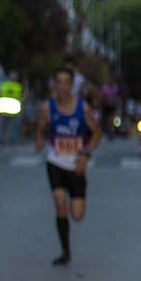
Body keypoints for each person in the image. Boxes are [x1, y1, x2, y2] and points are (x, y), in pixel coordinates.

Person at [36, 69, 102, 267]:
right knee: (59, 204)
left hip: (76, 165)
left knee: (77, 215)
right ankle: (65, 252)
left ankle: (79, 194)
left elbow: (97, 133)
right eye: (59, 82)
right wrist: (39, 139)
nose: (62, 86)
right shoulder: (47, 108)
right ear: (54, 85)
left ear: (71, 85)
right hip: (55, 161)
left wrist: (85, 154)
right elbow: (40, 128)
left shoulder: (83, 109)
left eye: (67, 82)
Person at [0, 72, 23, 145]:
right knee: (10, 126)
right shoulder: (17, 86)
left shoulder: (4, 85)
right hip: (11, 109)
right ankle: (5, 141)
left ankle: (6, 141)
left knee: (8, 127)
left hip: (8, 109)